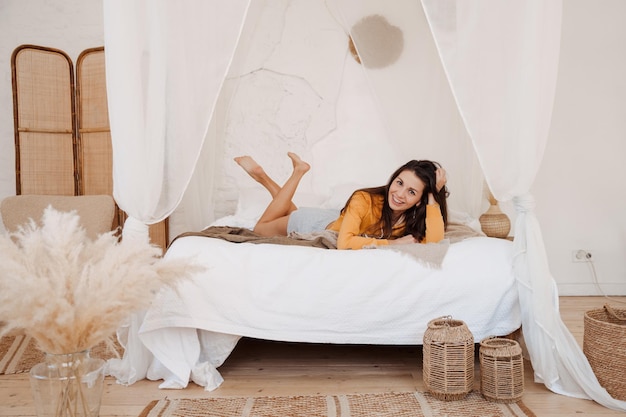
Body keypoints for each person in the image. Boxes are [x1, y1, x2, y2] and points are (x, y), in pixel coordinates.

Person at [234, 152, 448, 250]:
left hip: (334, 219)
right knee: (260, 228)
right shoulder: (363, 199)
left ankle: (283, 174)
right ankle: (281, 174)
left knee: (289, 211)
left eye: (412, 192)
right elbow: (345, 243)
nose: (400, 194)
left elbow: (435, 240)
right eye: (399, 183)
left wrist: (433, 195)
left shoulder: (413, 215)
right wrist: (393, 243)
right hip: (314, 223)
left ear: (421, 200)